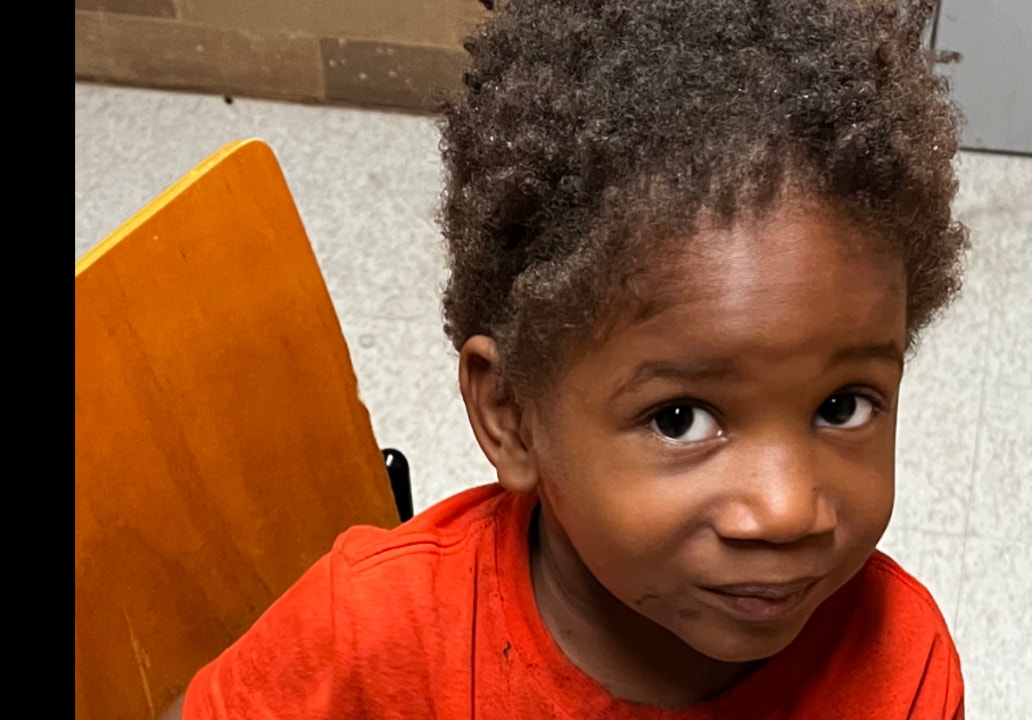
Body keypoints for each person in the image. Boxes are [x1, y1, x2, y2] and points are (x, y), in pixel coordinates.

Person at [172, 0, 969, 716]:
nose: (790, 509)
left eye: (842, 406)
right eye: (680, 419)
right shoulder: (375, 630)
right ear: (512, 414)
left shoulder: (901, 669)